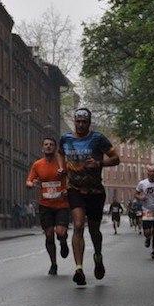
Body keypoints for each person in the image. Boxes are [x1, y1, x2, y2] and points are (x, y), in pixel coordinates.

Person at [57, 108, 120, 285]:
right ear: (75, 122)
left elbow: (116, 158)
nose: (81, 125)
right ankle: (79, 269)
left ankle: (98, 256)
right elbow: (60, 152)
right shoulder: (66, 138)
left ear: (89, 123)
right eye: (78, 122)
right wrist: (62, 168)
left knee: (94, 230)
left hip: (95, 191)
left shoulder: (98, 139)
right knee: (78, 225)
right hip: (75, 188)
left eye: (84, 122)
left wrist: (100, 163)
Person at [26, 136, 71, 276]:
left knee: (61, 232)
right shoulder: (37, 165)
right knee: (49, 235)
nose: (48, 146)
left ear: (55, 148)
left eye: (51, 144)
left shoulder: (63, 163)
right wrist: (32, 184)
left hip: (62, 204)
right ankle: (53, 264)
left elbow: (73, 178)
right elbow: (29, 181)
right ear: (42, 148)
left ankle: (63, 242)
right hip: (45, 205)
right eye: (46, 144)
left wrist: (68, 189)